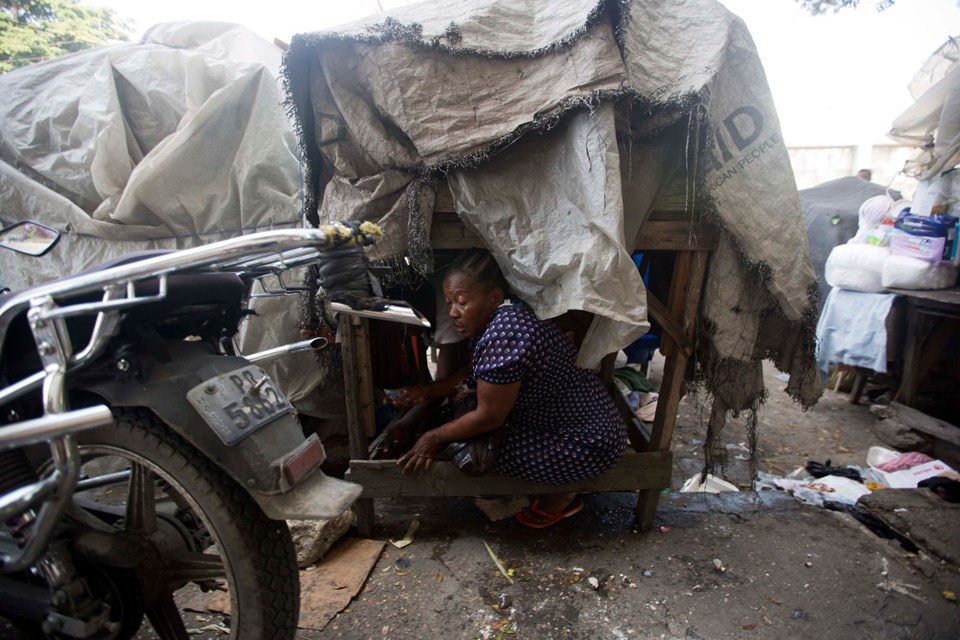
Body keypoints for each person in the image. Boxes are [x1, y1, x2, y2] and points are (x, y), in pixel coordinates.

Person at [396, 249, 626, 528]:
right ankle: (553, 482)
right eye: (448, 302)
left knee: (469, 448)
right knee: (461, 425)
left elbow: (489, 417)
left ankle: (564, 492)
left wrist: (433, 437)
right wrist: (428, 393)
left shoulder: (505, 333)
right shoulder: (507, 313)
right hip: (588, 424)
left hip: (588, 444)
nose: (452, 313)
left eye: (462, 302)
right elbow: (478, 373)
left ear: (493, 297)